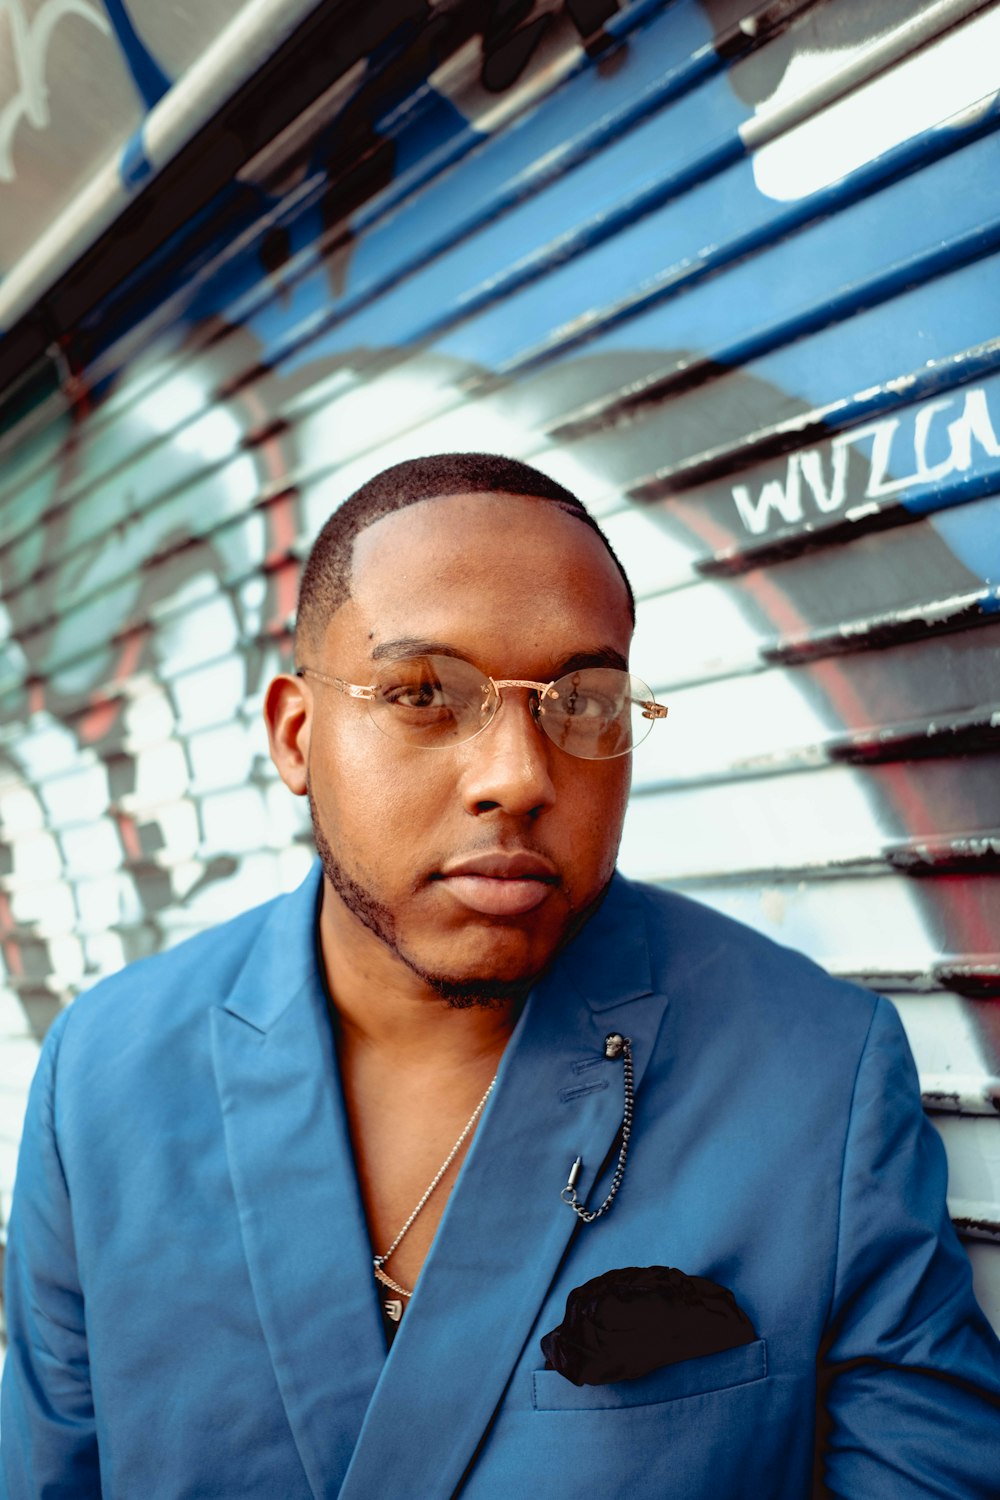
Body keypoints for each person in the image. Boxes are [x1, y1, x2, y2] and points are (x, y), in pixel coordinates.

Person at [2, 452, 999, 1499]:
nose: (519, 777)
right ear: (297, 736)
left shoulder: (813, 1073)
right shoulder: (105, 1081)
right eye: (424, 693)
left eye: (583, 701)